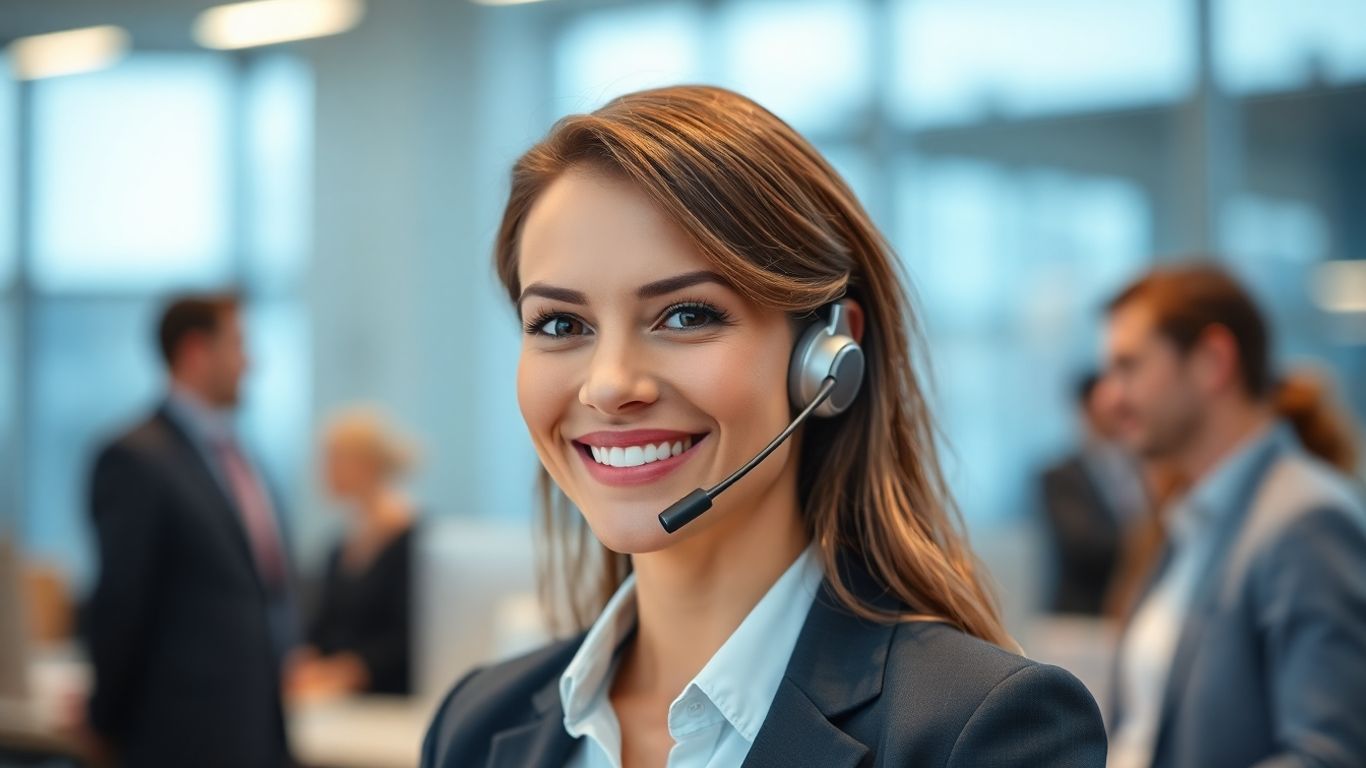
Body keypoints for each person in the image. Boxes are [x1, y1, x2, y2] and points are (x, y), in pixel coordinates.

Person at [423, 85, 1105, 768]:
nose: (609, 385)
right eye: (561, 324)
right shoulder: (479, 726)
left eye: (687, 315)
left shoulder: (981, 729)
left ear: (827, 358)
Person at [1103, 263, 1366, 768]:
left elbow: (1329, 757)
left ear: (1212, 361)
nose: (1110, 396)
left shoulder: (1308, 521)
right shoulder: (1189, 522)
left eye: (1129, 366)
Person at [84, 294, 293, 767]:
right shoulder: (135, 458)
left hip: (256, 731)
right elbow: (120, 602)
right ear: (196, 351)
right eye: (238, 344)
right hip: (178, 739)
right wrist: (104, 721)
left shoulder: (242, 458)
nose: (250, 361)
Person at [288, 407, 417, 698]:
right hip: (338, 704)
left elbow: (409, 636)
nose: (323, 471)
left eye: (333, 459)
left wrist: (349, 673)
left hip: (389, 703)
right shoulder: (339, 546)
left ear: (366, 463)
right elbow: (322, 627)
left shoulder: (414, 541)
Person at [1039, 372, 1147, 614]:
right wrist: (1143, 542)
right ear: (1086, 410)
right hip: (1081, 616)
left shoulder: (1147, 466)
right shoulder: (1058, 477)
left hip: (1138, 609)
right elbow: (1082, 545)